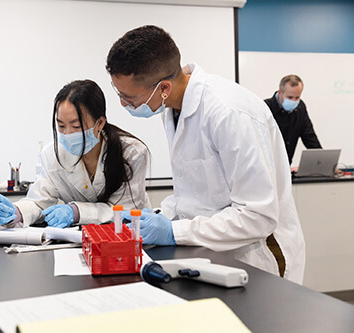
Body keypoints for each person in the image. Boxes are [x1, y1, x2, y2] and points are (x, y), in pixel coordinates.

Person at [106, 25, 305, 283]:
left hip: (257, 257)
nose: (123, 104)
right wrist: (159, 216)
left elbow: (258, 217)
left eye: (128, 97)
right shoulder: (172, 109)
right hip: (211, 254)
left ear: (163, 87)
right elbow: (196, 195)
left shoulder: (228, 112)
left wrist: (174, 231)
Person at [0, 79, 150, 230]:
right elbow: (40, 203)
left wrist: (75, 212)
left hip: (127, 236)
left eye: (76, 126)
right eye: (61, 126)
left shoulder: (131, 153)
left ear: (100, 123)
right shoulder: (53, 155)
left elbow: (124, 211)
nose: (67, 134)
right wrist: (16, 212)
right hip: (77, 241)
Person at [265, 75, 322, 165]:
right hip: (268, 167)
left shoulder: (300, 108)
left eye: (297, 97)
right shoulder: (265, 108)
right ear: (280, 93)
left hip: (287, 167)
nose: (294, 101)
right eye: (290, 97)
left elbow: (310, 137)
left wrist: (321, 161)